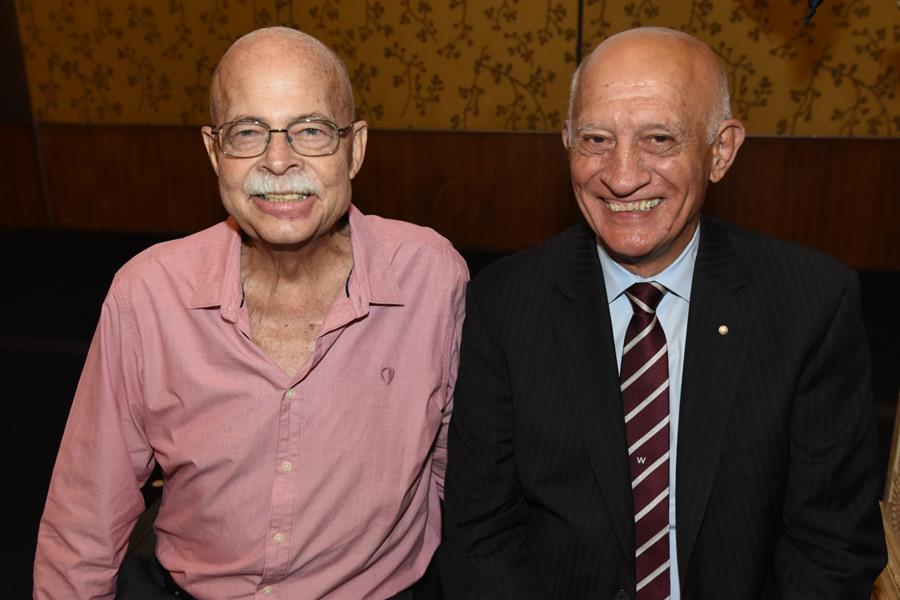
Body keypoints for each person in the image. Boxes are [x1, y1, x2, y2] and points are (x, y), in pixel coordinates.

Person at [439, 26, 886, 599]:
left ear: (720, 151)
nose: (622, 176)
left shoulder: (810, 305)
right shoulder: (504, 303)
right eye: (596, 139)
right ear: (567, 142)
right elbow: (481, 538)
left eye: (658, 139)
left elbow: (832, 549)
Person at [34, 26, 467, 599]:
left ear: (355, 148)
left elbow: (457, 478)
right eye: (249, 132)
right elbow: (83, 520)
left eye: (311, 130)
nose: (280, 161)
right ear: (215, 152)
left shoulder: (432, 279)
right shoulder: (148, 295)